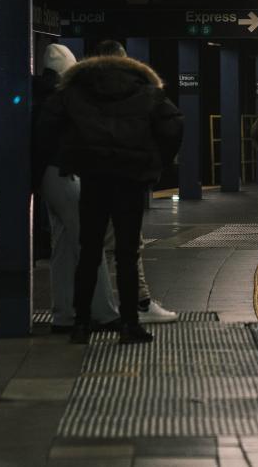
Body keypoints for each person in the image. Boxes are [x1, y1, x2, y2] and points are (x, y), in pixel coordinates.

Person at [38, 40, 183, 345]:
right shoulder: (146, 88)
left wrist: (70, 157)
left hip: (92, 178)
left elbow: (48, 123)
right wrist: (155, 164)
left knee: (89, 251)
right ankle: (130, 324)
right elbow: (172, 126)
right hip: (130, 181)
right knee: (127, 254)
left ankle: (80, 325)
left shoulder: (77, 89)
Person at [32, 43, 121, 333]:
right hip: (65, 174)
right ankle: (105, 313)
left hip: (47, 177)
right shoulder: (63, 97)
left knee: (64, 247)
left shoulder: (37, 92)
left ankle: (64, 315)